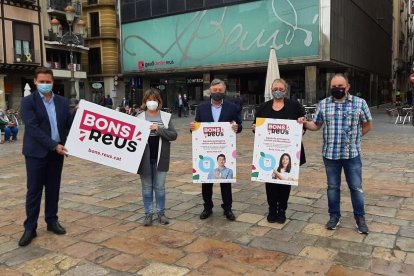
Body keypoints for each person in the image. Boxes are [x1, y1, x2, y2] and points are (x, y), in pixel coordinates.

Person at [304, 73, 372, 234]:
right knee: (333, 187)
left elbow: (368, 125)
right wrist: (304, 123)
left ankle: (360, 218)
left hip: (352, 154)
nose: (337, 89)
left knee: (356, 187)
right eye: (334, 87)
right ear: (330, 87)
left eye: (340, 86)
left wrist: (355, 139)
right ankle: (334, 216)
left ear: (347, 87)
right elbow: (316, 125)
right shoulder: (324, 104)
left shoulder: (359, 103)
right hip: (330, 155)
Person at [18, 67, 74, 246]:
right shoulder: (28, 102)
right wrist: (53, 145)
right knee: (34, 190)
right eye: (41, 81)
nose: (45, 84)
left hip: (56, 154)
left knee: (53, 188)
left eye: (47, 81)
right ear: (35, 82)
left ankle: (51, 221)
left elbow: (68, 125)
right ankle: (30, 227)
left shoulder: (63, 102)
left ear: (53, 82)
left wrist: (82, 113)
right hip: (36, 153)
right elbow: (33, 128)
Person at [253, 78, 306, 224]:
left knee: (284, 182)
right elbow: (256, 128)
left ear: (285, 90)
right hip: (269, 152)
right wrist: (255, 129)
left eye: (280, 89)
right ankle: (272, 209)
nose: (277, 91)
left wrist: (301, 126)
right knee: (270, 182)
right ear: (271, 90)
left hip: (287, 153)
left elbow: (303, 127)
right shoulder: (263, 107)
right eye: (275, 88)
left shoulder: (295, 106)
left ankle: (282, 209)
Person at [190, 79, 242, 221]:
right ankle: (207, 207)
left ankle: (228, 208)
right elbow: (196, 127)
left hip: (224, 150)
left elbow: (240, 125)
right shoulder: (201, 108)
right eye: (214, 90)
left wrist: (236, 127)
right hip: (207, 150)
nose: (217, 93)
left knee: (226, 181)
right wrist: (192, 127)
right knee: (206, 180)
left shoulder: (232, 107)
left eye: (220, 90)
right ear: (210, 92)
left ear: (224, 92)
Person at [137, 88, 177, 226]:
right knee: (147, 188)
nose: (151, 102)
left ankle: (161, 213)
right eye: (149, 99)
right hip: (144, 159)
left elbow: (173, 135)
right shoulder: (139, 117)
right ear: (145, 102)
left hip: (161, 157)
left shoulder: (166, 116)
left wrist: (158, 129)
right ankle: (148, 214)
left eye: (154, 99)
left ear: (158, 101)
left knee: (160, 187)